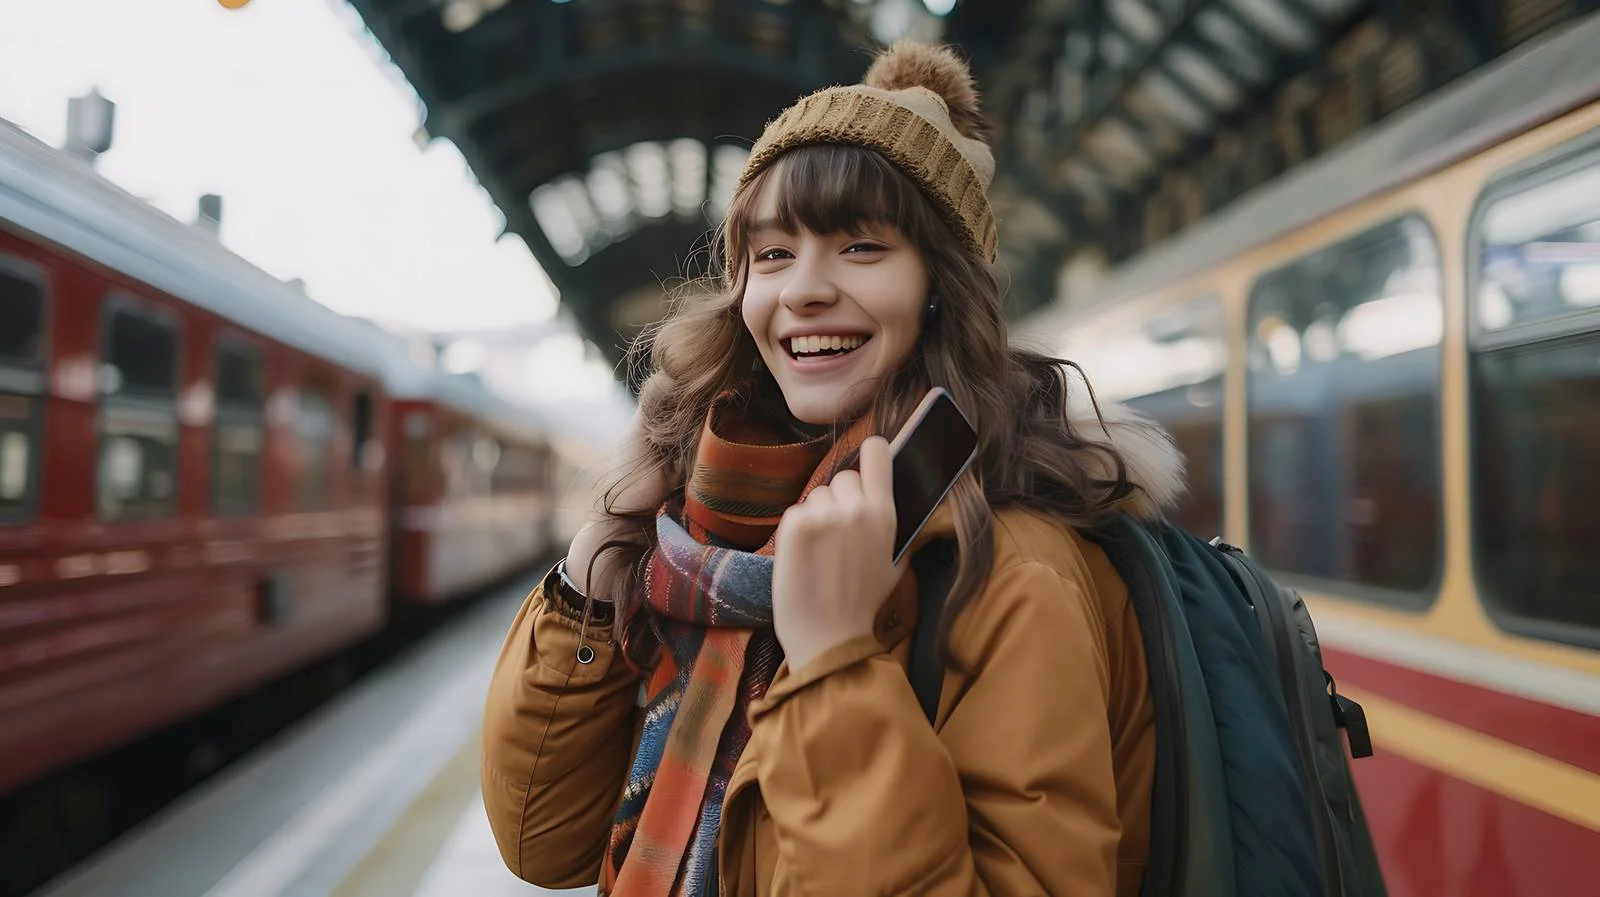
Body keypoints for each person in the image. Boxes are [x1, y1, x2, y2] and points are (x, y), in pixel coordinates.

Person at [482, 39, 1186, 897]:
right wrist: (600, 560)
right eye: (772, 255)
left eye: (861, 247)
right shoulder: (709, 542)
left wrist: (837, 665)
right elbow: (540, 842)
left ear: (941, 286)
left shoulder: (1013, 569)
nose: (803, 289)